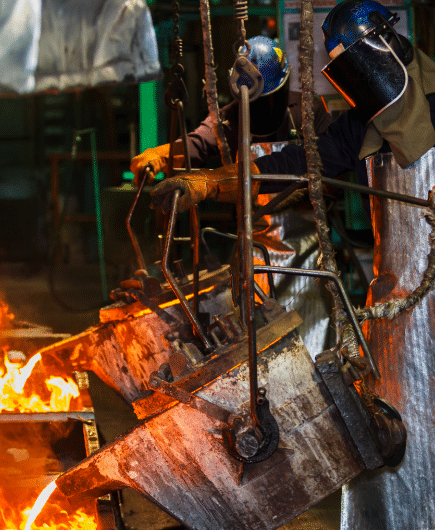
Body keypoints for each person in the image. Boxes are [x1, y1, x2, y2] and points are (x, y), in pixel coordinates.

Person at [152, 0, 435, 530]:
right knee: (393, 425)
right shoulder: (363, 127)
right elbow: (297, 164)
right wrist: (214, 182)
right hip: (395, 303)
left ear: (389, 50)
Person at [129, 36, 336, 357]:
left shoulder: (309, 112)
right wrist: (163, 154)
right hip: (253, 255)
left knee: (310, 343)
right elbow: (199, 143)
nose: (256, 110)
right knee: (259, 348)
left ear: (282, 88)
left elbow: (332, 173)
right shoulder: (232, 115)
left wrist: (294, 191)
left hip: (307, 257)